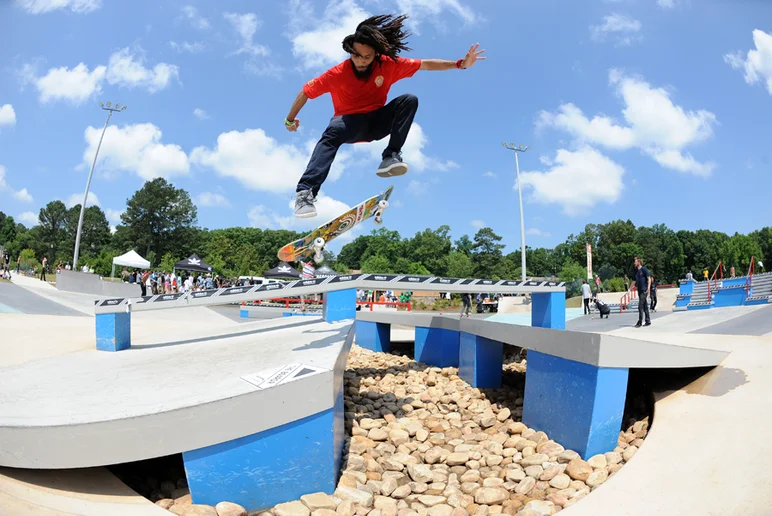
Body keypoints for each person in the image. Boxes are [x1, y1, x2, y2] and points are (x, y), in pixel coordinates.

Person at [285, 14, 486, 218]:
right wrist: (290, 119)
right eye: (356, 56)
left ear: (376, 54)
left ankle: (390, 156)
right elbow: (305, 92)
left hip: (378, 121)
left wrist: (460, 64)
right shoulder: (337, 73)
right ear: (349, 51)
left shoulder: (388, 64)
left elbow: (426, 64)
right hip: (350, 123)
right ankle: (305, 194)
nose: (361, 62)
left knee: (409, 99)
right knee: (333, 131)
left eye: (367, 57)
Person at [634, 256, 652, 327]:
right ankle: (648, 321)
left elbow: (649, 279)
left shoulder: (644, 269)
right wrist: (629, 289)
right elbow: (633, 281)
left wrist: (648, 288)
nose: (634, 263)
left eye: (635, 261)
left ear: (639, 262)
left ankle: (640, 321)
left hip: (644, 290)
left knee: (640, 306)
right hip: (639, 290)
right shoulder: (635, 271)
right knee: (645, 306)